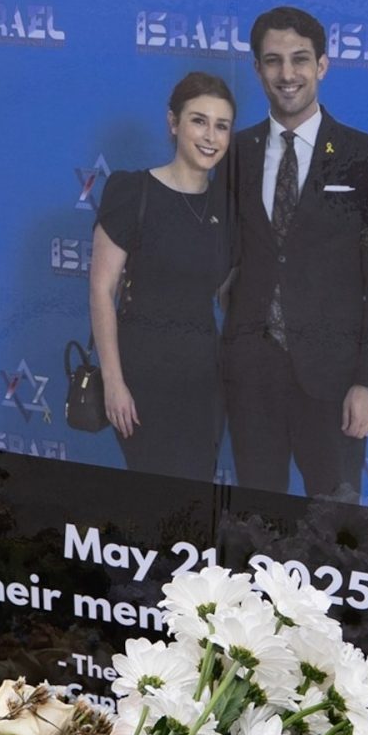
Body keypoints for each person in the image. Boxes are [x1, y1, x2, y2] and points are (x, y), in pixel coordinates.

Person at [223, 6, 368, 503]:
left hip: (334, 380)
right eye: (273, 60)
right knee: (256, 517)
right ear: (257, 67)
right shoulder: (234, 153)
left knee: (337, 523)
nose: (287, 74)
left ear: (323, 65)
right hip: (251, 377)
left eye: (300, 59)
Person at [89, 72, 239, 483]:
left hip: (205, 383)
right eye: (199, 120)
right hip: (143, 377)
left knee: (196, 495)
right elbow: (102, 291)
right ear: (173, 123)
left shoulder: (228, 207)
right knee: (156, 495)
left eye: (221, 126)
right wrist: (114, 383)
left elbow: (227, 293)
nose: (210, 136)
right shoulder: (131, 191)